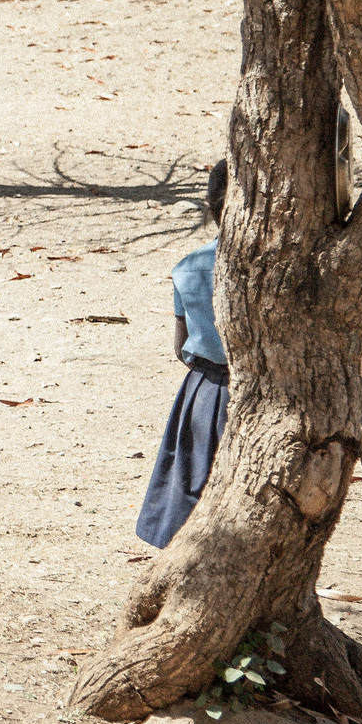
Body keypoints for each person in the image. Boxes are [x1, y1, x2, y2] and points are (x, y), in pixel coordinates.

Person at [136, 160, 230, 548]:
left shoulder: (188, 268)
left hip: (205, 391)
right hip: (263, 389)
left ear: (210, 207)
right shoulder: (284, 264)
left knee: (192, 487)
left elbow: (180, 346)